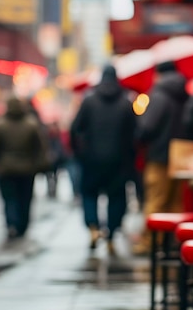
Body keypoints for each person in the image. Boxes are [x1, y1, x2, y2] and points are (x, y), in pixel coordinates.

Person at [70, 64, 137, 255]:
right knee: (116, 198)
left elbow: (75, 129)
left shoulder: (89, 101)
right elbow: (134, 134)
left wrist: (79, 154)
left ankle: (93, 227)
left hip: (91, 160)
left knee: (90, 195)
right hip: (118, 161)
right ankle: (111, 234)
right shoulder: (126, 103)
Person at [131, 61, 190, 255]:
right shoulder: (185, 95)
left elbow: (147, 128)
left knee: (156, 201)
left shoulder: (158, 95)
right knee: (175, 202)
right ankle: (173, 241)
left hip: (159, 156)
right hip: (181, 158)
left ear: (159, 74)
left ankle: (151, 242)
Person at [0, 95, 50, 240]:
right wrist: (40, 163)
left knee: (9, 199)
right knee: (25, 198)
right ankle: (22, 225)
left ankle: (12, 224)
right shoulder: (31, 124)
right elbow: (40, 147)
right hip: (27, 168)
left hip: (6, 168)